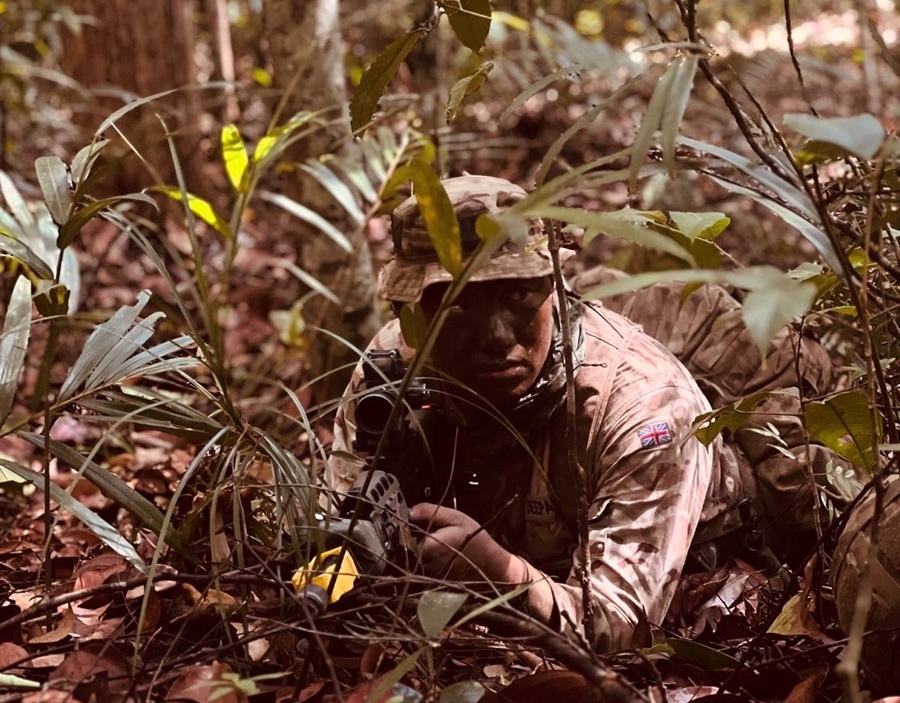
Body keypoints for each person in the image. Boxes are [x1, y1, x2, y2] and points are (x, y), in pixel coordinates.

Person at [325, 175, 823, 651]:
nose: (498, 337)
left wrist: (499, 573)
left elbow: (619, 626)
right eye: (460, 305)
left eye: (520, 295)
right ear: (411, 317)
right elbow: (345, 530)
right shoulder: (390, 375)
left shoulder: (647, 405)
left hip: (691, 587)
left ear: (556, 287)